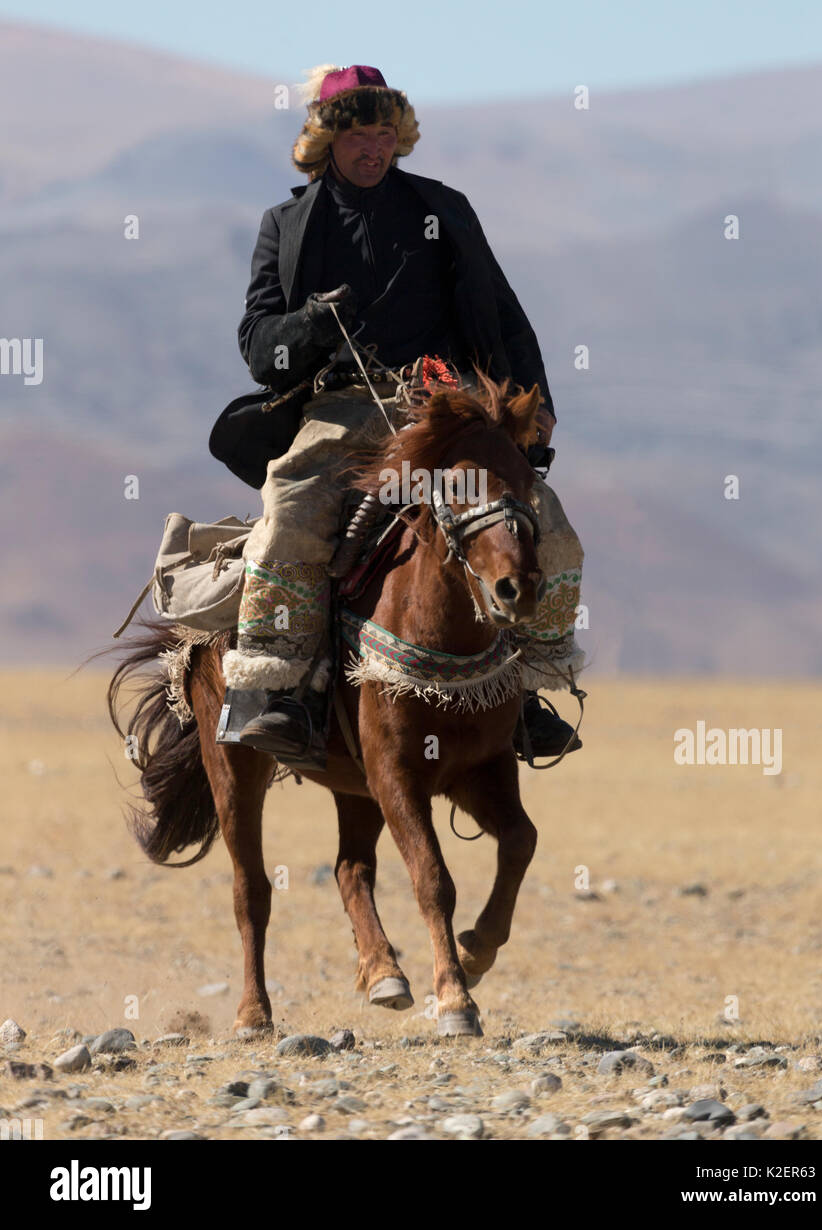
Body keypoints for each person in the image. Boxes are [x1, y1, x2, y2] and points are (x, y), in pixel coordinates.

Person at [208, 64, 584, 767]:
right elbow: (260, 348)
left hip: (445, 412)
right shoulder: (287, 226)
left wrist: (538, 402)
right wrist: (312, 325)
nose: (374, 148)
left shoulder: (444, 209)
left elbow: (503, 313)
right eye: (358, 134)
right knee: (290, 513)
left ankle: (530, 691)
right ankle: (273, 690)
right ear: (325, 137)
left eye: (386, 134)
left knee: (549, 527)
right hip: (343, 407)